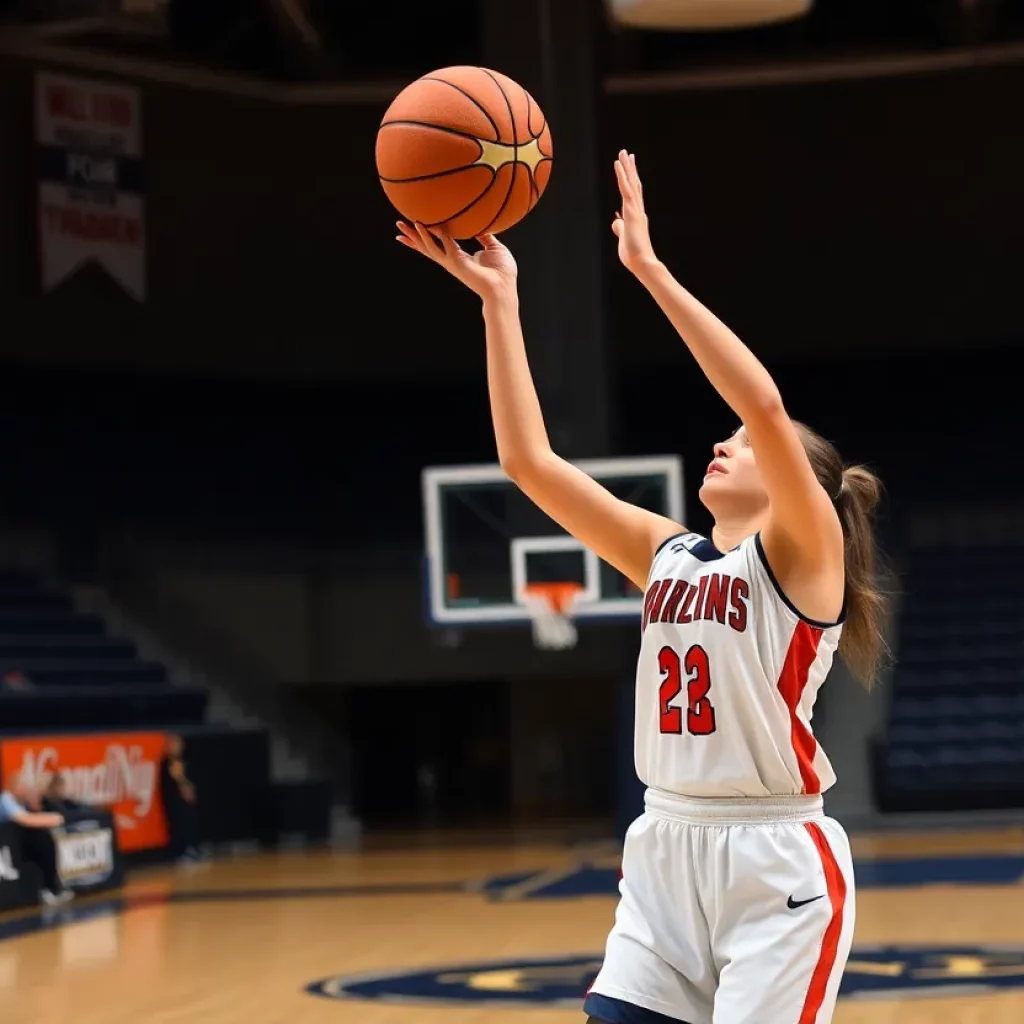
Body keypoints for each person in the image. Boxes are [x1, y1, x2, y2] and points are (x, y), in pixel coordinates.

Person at [395, 149, 887, 1024]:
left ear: (794, 482)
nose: (725, 441)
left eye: (741, 442)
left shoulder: (805, 557)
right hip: (664, 845)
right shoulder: (666, 554)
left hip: (775, 859)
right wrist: (498, 304)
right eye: (725, 434)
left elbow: (766, 407)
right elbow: (528, 463)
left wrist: (650, 271)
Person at [0, 777, 73, 906]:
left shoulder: (22, 801)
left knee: (44, 840)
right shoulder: (5, 800)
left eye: (26, 787)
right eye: (22, 787)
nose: (25, 790)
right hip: (7, 845)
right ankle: (48, 889)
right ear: (13, 787)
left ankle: (50, 886)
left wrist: (35, 801)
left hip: (16, 843)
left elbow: (33, 813)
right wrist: (53, 819)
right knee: (41, 839)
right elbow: (25, 819)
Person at [159, 734, 202, 863]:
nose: (173, 747)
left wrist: (182, 780)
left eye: (176, 744)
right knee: (177, 826)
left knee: (190, 822)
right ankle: (182, 852)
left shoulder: (186, 761)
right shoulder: (166, 763)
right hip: (173, 804)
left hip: (186, 803)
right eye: (170, 744)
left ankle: (194, 850)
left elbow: (190, 790)